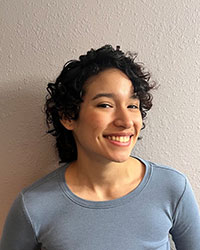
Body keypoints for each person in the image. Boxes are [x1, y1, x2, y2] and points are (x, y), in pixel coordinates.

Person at [0, 45, 200, 250]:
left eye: (132, 106)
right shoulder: (33, 206)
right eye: (105, 105)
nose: (125, 121)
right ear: (68, 116)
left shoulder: (172, 188)